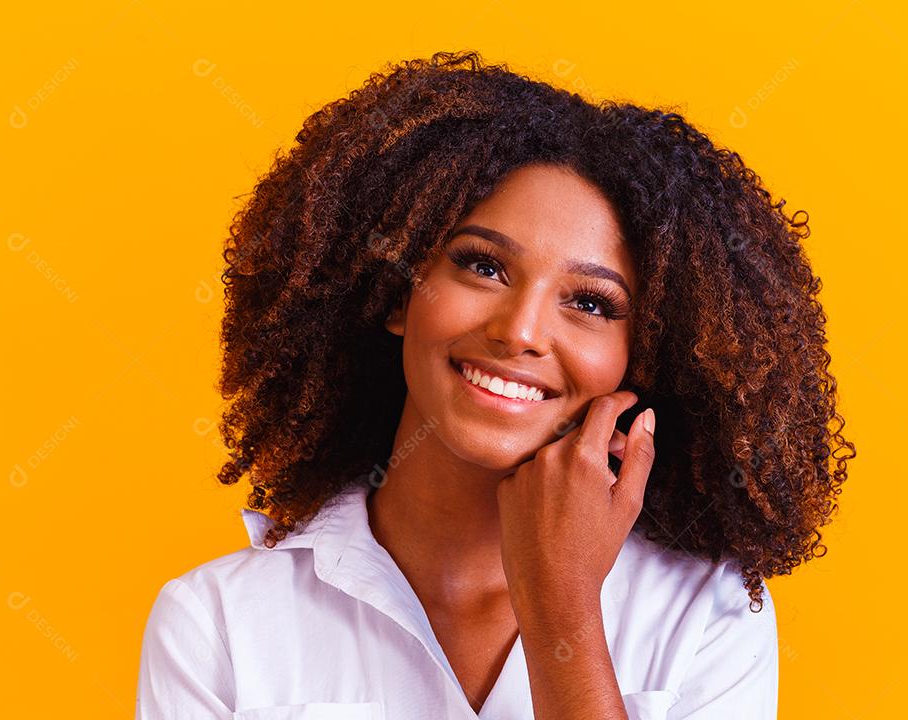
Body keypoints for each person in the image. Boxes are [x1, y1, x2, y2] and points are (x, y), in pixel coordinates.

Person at [136, 49, 854, 720]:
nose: (520, 331)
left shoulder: (702, 613)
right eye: (483, 266)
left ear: (639, 361)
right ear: (395, 292)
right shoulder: (219, 625)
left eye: (592, 303)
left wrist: (561, 610)